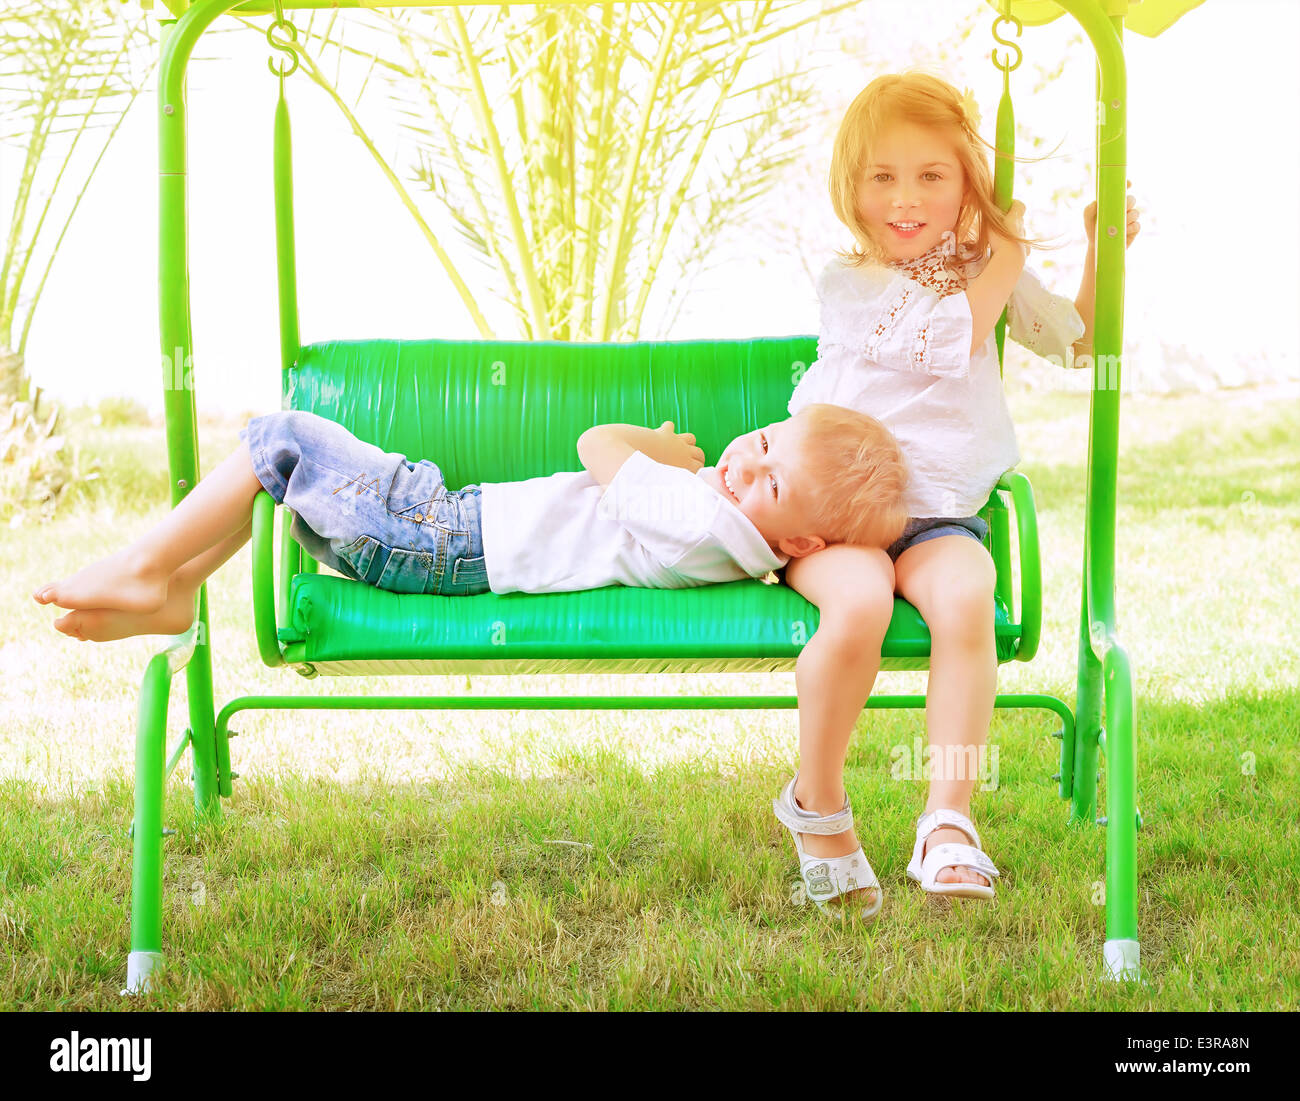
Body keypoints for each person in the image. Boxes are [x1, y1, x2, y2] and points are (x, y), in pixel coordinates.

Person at [773, 71, 1142, 918]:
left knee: (970, 595)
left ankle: (948, 817)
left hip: (938, 516)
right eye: (883, 177)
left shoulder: (984, 269)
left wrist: (1100, 248)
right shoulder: (851, 282)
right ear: (851, 187)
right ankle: (818, 801)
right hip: (836, 516)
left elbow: (1077, 343)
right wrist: (1008, 253)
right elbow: (946, 341)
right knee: (858, 606)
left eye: (932, 176)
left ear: (967, 181)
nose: (905, 199)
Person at [31, 403, 909, 645]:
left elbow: (597, 442)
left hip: (444, 542)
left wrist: (659, 449)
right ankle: (176, 584)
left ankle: (151, 566)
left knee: (284, 436)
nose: (742, 464)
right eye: (758, 443)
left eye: (770, 481)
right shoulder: (733, 531)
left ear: (798, 543)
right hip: (450, 533)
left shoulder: (702, 520)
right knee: (283, 460)